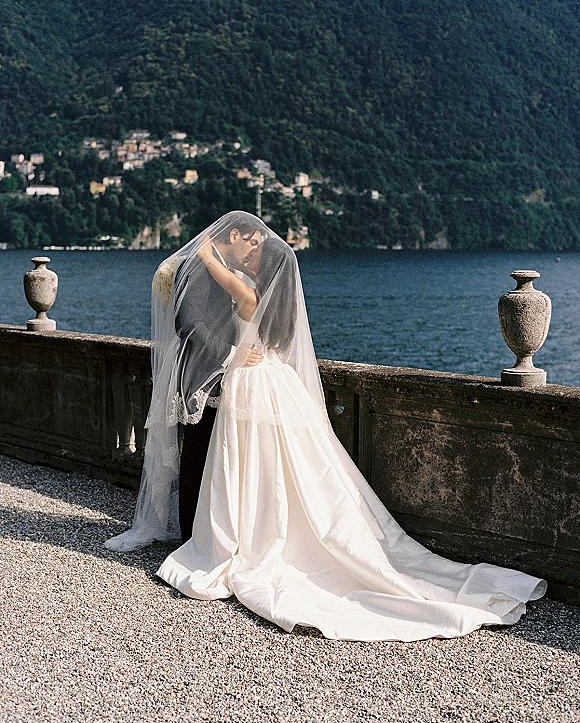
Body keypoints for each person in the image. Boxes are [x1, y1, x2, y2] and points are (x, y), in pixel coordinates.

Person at [155, 214, 546, 642]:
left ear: (265, 270)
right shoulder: (278, 298)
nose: (250, 255)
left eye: (256, 254)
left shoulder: (249, 292)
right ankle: (260, 531)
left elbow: (237, 301)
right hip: (271, 380)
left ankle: (248, 537)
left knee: (249, 467)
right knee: (278, 467)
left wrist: (208, 256)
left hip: (253, 386)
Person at [104, 211, 265, 552]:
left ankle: (203, 532)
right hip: (202, 376)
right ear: (234, 235)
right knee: (197, 455)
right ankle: (192, 537)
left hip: (218, 375)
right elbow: (188, 323)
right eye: (251, 242)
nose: (252, 250)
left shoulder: (219, 266)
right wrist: (231, 353)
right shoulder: (197, 265)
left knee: (211, 455)